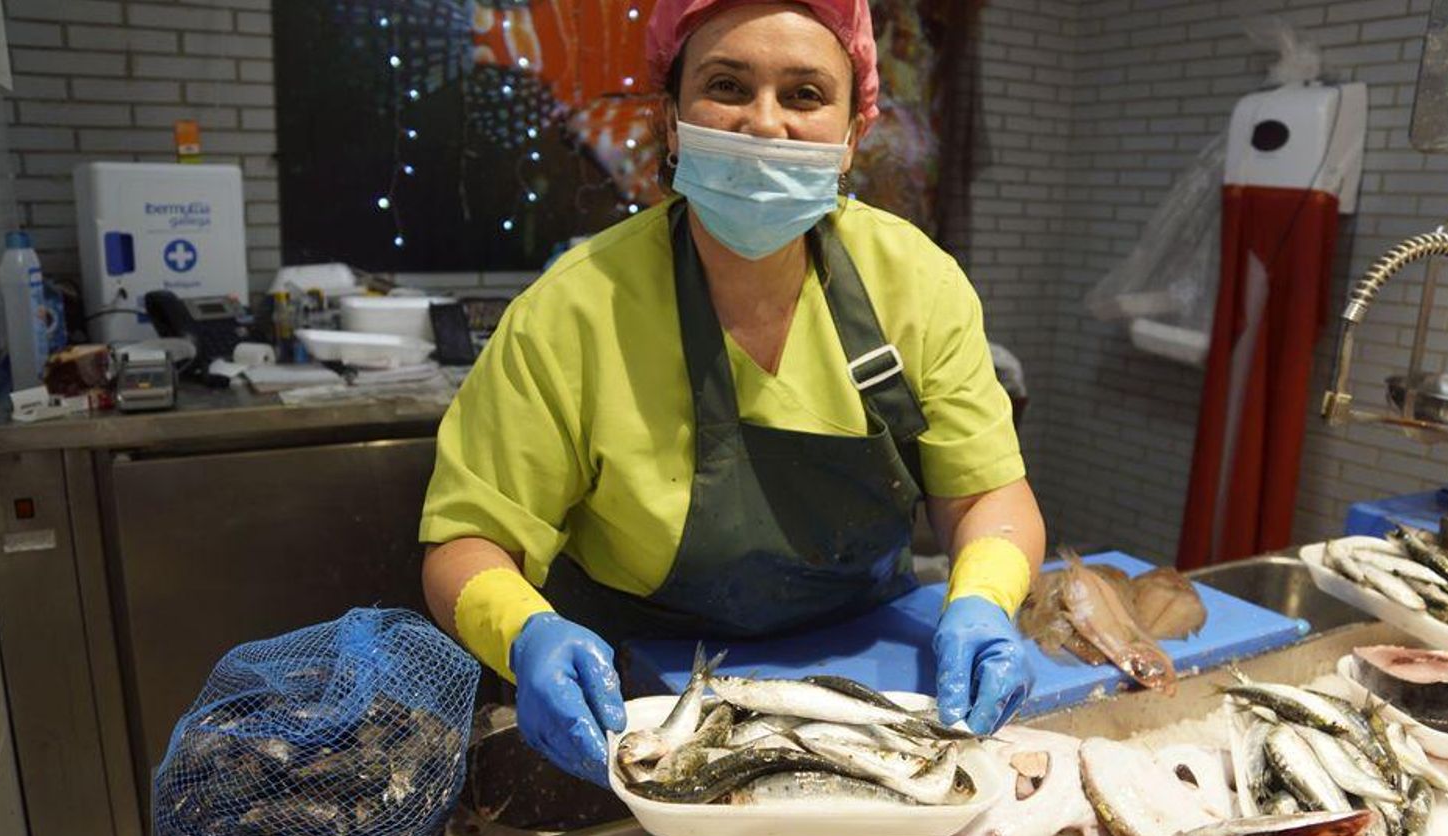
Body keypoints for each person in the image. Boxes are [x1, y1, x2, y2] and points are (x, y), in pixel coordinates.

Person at [421, 0, 1045, 787]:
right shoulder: (572, 312)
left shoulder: (915, 284)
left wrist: (984, 599)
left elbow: (987, 494)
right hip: (644, 704)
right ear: (672, 122)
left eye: (805, 94)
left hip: (873, 688)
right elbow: (468, 542)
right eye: (727, 85)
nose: (765, 122)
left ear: (853, 136)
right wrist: (526, 635)